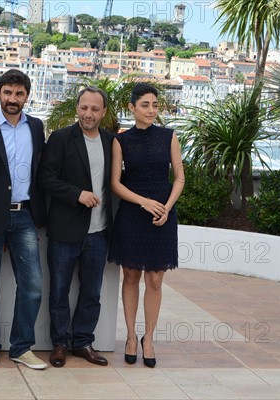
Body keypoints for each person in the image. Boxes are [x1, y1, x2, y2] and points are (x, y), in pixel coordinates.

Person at [0, 69, 48, 370]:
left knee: (32, 285)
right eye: (7, 92)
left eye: (19, 94)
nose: (13, 99)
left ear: (27, 96)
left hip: (24, 216)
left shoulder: (36, 127)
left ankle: (21, 347)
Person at [108, 83, 184, 368]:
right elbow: (115, 183)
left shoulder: (169, 136)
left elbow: (179, 178)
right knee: (130, 277)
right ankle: (130, 336)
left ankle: (148, 338)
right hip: (132, 213)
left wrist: (166, 207)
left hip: (162, 215)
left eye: (154, 105)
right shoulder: (122, 141)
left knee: (154, 279)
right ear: (132, 108)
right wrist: (144, 202)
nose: (151, 110)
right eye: (145, 105)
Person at [39, 87, 114, 368]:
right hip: (65, 229)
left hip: (99, 232)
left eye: (95, 109)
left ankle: (83, 342)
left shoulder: (111, 141)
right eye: (84, 108)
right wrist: (76, 194)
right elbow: (45, 178)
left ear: (103, 112)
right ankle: (59, 343)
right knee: (58, 290)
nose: (88, 114)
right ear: (77, 108)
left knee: (92, 291)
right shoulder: (60, 138)